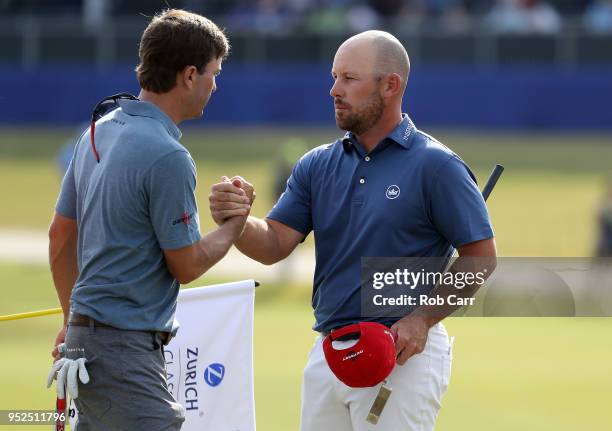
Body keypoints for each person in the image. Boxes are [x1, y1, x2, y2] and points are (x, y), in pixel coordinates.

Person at [209, 30, 497, 431]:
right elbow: (274, 243)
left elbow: (481, 257)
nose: (334, 90)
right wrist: (238, 222)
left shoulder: (437, 166)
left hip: (400, 358)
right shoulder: (316, 165)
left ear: (390, 85)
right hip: (329, 353)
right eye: (334, 77)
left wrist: (422, 320)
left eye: (349, 78)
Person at [48, 9, 250, 431]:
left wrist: (73, 322)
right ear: (190, 75)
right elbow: (187, 264)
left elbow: (60, 238)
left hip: (87, 345)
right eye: (214, 73)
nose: (216, 85)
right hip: (124, 352)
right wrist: (234, 223)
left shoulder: (96, 131)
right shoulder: (168, 155)